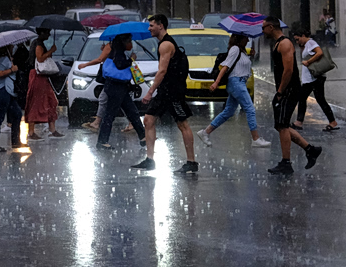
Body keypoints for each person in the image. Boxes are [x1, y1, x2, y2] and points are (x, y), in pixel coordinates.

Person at [132, 15, 197, 174]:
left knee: (182, 124)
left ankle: (191, 162)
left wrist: (150, 92)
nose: (149, 28)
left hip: (173, 91)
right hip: (165, 91)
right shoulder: (163, 44)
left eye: (152, 25)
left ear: (161, 26)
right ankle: (150, 160)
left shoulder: (166, 44)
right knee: (148, 120)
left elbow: (162, 71)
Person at [262, 17, 322, 174]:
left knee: (282, 125)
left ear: (271, 27)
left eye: (264, 28)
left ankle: (286, 163)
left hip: (289, 90)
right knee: (281, 125)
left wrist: (280, 91)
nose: (262, 31)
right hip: (285, 90)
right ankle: (310, 150)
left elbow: (288, 70)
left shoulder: (285, 43)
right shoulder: (278, 44)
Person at [199, 33, 270, 148]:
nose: (248, 40)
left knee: (229, 111)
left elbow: (241, 66)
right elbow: (225, 67)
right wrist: (216, 82)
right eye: (246, 38)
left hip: (239, 82)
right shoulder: (235, 49)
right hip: (236, 82)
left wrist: (250, 56)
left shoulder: (241, 51)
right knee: (250, 109)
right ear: (239, 39)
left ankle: (205, 132)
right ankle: (255, 139)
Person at [95, 33, 146, 150]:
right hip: (115, 86)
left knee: (132, 112)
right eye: (129, 41)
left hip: (120, 87)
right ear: (123, 42)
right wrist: (131, 59)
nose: (131, 44)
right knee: (110, 114)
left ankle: (143, 137)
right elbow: (120, 65)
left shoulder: (118, 52)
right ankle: (102, 141)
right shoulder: (117, 53)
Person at [291, 28, 338, 131]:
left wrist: (308, 62)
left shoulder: (310, 42)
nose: (297, 42)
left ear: (303, 36)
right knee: (319, 99)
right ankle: (332, 121)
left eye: (298, 39)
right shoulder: (306, 44)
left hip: (314, 78)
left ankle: (299, 122)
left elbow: (319, 52)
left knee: (303, 98)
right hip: (311, 78)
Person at [24, 29, 63, 140]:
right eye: (47, 32)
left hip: (40, 76)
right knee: (37, 103)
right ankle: (31, 132)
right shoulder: (38, 44)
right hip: (38, 76)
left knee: (50, 101)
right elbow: (40, 58)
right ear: (42, 33)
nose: (49, 34)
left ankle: (52, 129)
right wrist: (51, 51)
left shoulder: (37, 43)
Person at [0, 44, 23, 150]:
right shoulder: (3, 58)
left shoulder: (5, 58)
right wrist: (12, 70)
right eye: (12, 46)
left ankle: (15, 141)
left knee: (17, 113)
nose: (13, 47)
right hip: (2, 90)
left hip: (7, 91)